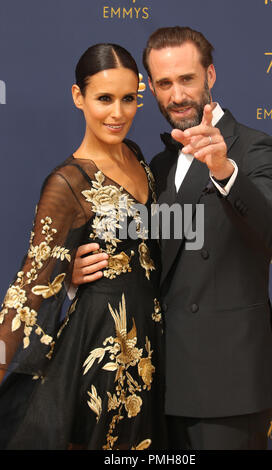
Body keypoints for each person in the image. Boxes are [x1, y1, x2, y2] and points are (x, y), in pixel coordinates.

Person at [72, 27, 272, 450]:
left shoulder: (256, 148)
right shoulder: (156, 162)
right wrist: (80, 269)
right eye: (165, 84)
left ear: (210, 75)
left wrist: (224, 168)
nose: (177, 96)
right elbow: (148, 250)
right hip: (158, 382)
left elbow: (268, 227)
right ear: (150, 87)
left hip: (227, 386)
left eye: (187, 79)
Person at [0, 43, 166, 450]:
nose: (118, 113)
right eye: (104, 99)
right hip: (103, 351)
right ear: (79, 97)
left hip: (152, 343)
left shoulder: (138, 157)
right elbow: (26, 293)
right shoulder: (67, 182)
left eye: (129, 99)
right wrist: (64, 277)